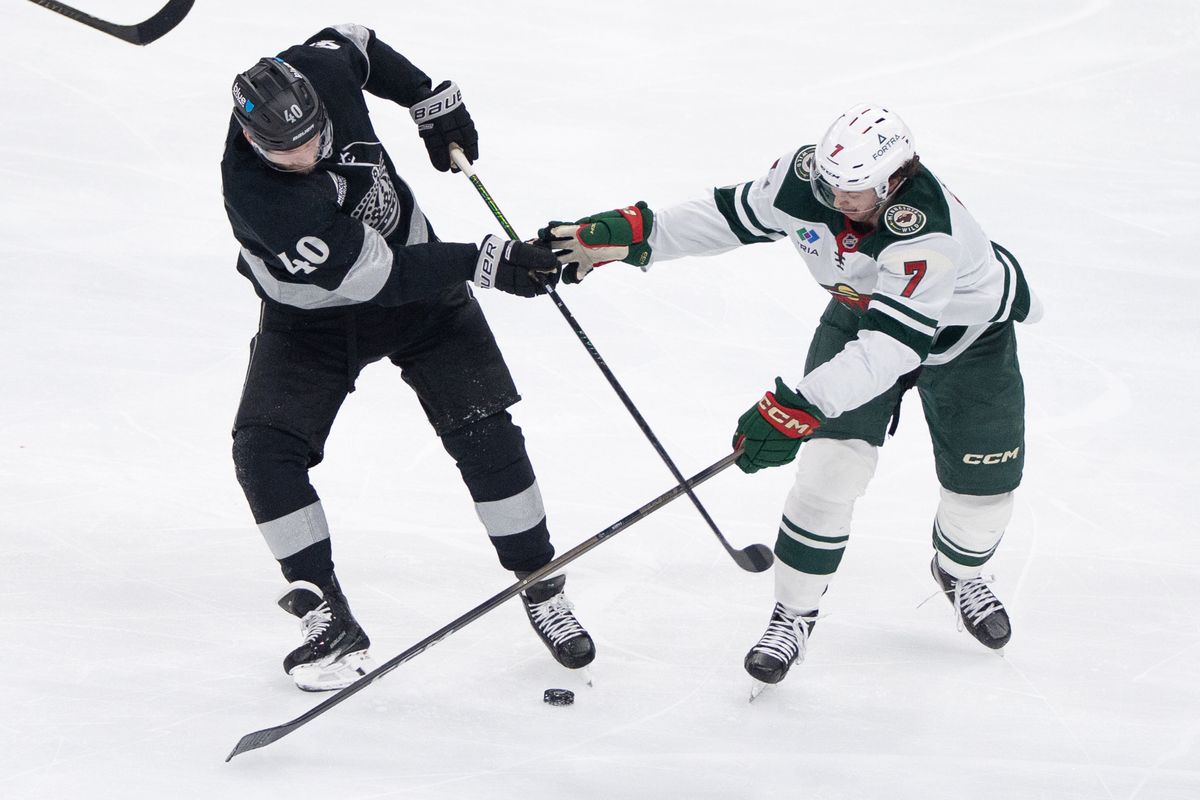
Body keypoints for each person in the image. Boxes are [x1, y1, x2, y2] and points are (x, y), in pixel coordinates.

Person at [541, 103, 1041, 688]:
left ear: (896, 180)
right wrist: (637, 234)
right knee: (829, 473)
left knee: (982, 499)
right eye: (830, 185)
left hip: (966, 343)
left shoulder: (925, 232)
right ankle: (792, 614)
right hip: (862, 317)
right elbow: (727, 216)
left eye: (854, 191)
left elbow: (893, 349)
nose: (836, 200)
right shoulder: (806, 180)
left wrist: (799, 407)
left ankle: (959, 573)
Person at [221, 23, 592, 691]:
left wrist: (426, 100)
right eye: (286, 149)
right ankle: (327, 615)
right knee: (263, 450)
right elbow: (382, 276)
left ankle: (539, 581)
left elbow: (353, 40)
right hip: (314, 321)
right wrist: (488, 261)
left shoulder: (318, 72)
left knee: (485, 430)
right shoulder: (262, 199)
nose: (305, 153)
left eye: (313, 135)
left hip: (423, 297)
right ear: (252, 139)